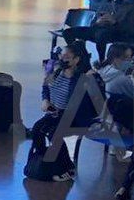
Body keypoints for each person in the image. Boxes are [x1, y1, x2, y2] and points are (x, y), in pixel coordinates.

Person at [30, 42, 99, 182]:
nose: (62, 59)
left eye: (66, 57)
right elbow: (46, 87)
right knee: (37, 129)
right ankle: (45, 158)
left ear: (76, 60)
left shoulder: (82, 78)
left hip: (74, 117)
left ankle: (67, 167)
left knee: (54, 133)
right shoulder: (56, 72)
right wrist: (45, 100)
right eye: (61, 56)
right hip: (56, 113)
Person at [97, 44, 134, 136]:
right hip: (122, 113)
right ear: (115, 59)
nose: (131, 61)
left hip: (106, 112)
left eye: (131, 57)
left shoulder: (101, 71)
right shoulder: (123, 79)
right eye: (127, 58)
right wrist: (131, 77)